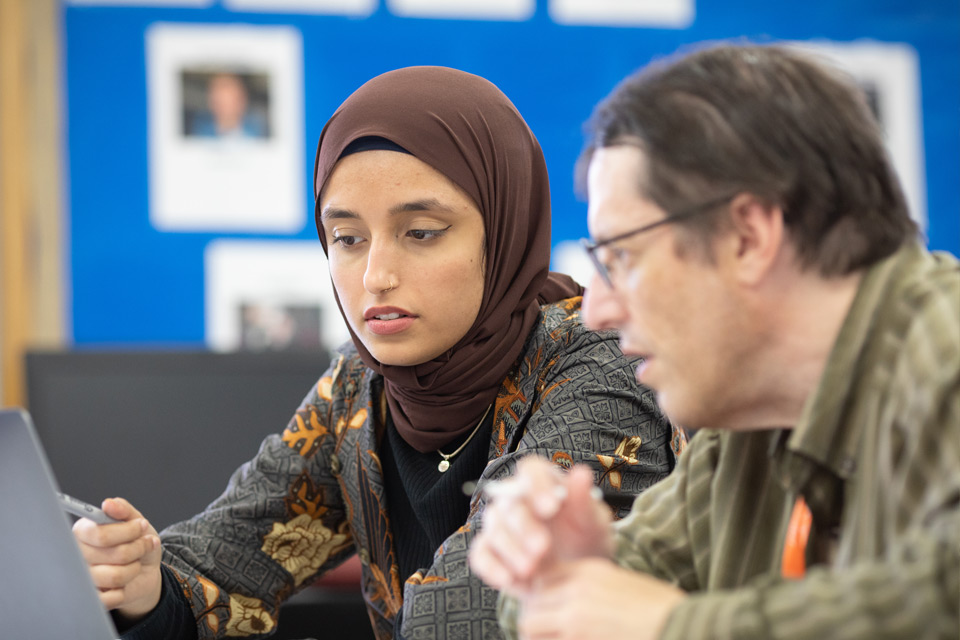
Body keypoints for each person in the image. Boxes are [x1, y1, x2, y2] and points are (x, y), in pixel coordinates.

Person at [73, 66, 683, 639]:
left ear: (503, 228)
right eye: (346, 238)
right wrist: (144, 584)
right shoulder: (360, 386)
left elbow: (476, 612)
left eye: (420, 233)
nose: (375, 276)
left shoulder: (602, 367)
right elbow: (225, 559)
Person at [468, 43, 960, 640]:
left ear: (747, 237)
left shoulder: (945, 346)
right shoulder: (750, 423)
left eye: (619, 256)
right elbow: (579, 608)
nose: (594, 310)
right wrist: (563, 569)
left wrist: (672, 626)